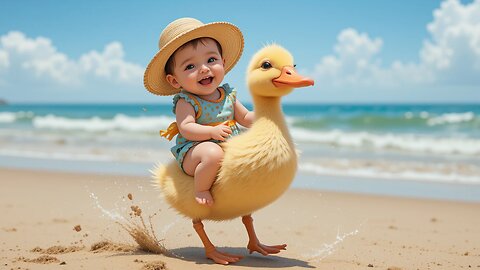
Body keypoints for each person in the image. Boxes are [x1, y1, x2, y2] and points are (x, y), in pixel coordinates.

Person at [144, 18, 254, 206]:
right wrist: (211, 132)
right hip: (195, 151)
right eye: (190, 66)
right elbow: (186, 128)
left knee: (253, 150)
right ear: (175, 81)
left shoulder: (227, 94)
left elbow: (244, 117)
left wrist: (266, 115)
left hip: (227, 143)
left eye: (211, 60)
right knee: (213, 154)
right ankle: (201, 189)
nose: (204, 69)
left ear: (223, 63)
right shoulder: (187, 101)